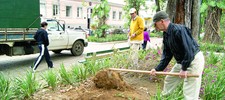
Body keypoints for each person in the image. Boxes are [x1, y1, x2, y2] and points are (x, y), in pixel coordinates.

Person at [149, 11, 204, 100]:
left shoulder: (179, 30)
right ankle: (163, 98)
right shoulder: (166, 34)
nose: (155, 27)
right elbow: (167, 55)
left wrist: (184, 69)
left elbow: (189, 50)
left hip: (194, 60)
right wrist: (157, 69)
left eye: (155, 24)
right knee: (170, 79)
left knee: (189, 90)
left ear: (162, 21)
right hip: (183, 61)